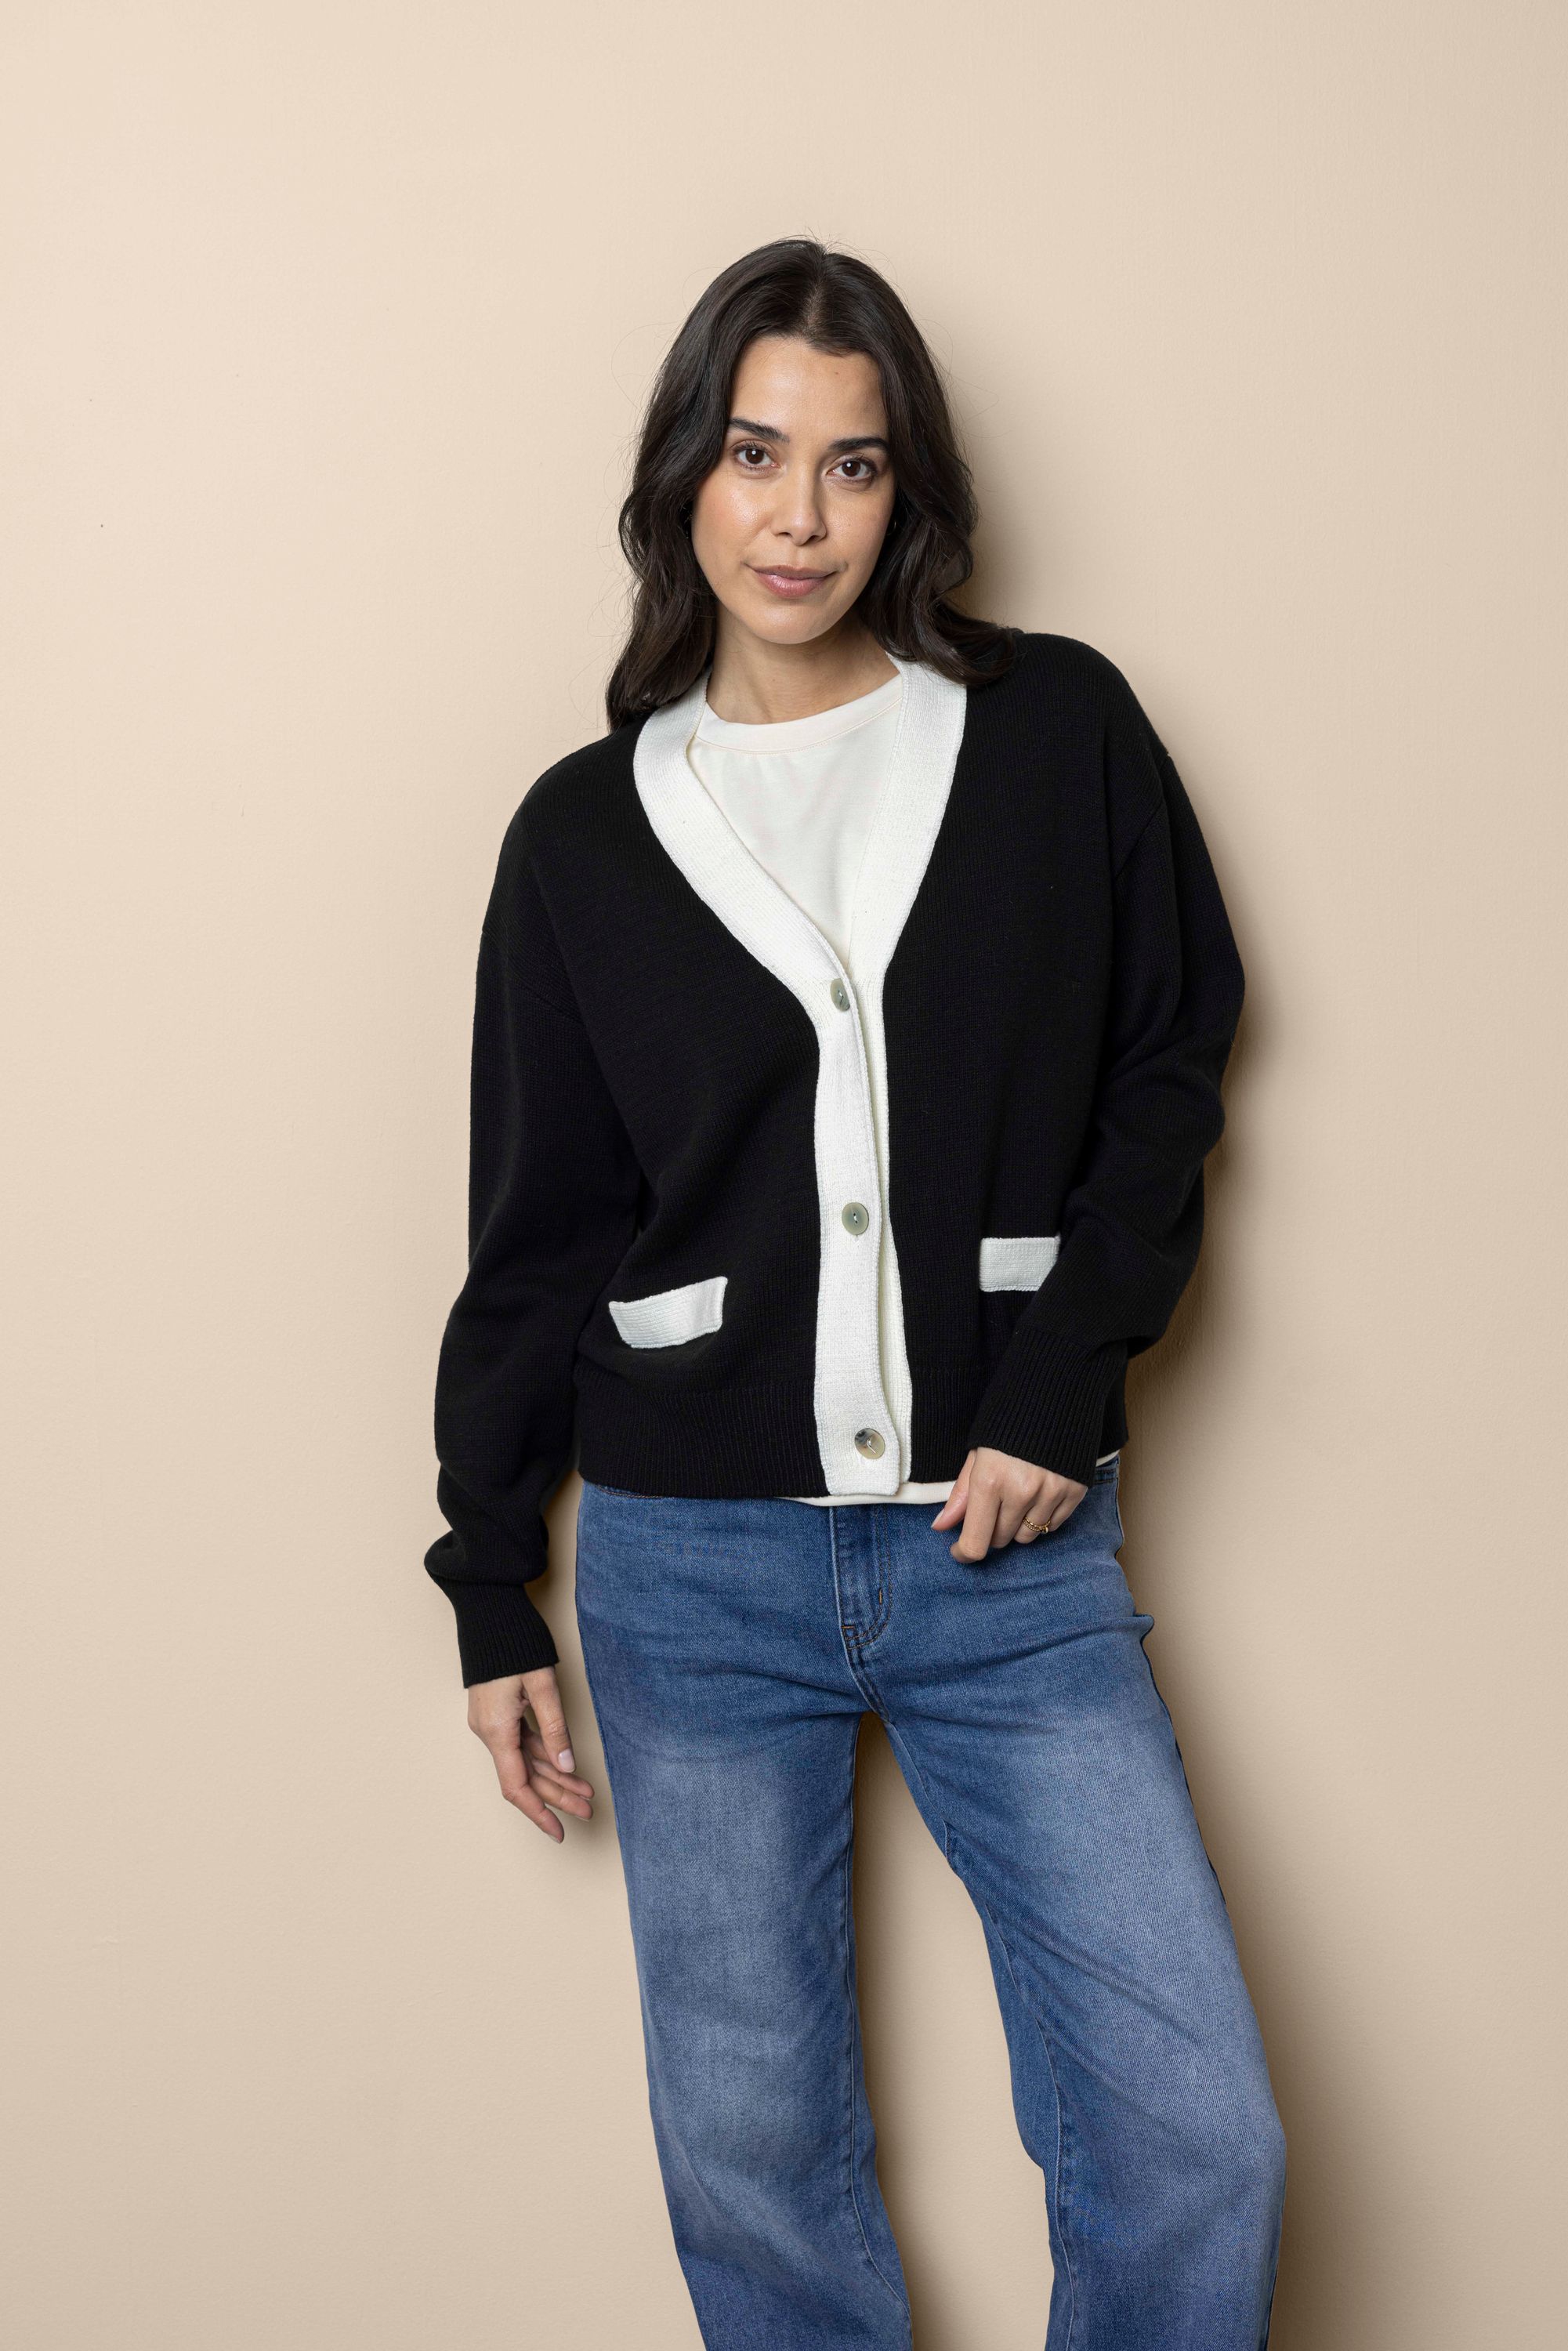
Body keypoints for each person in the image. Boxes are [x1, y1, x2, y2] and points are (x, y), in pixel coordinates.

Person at [424, 236, 1287, 2349]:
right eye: (752, 454)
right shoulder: (583, 835)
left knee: (1198, 2135)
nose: (797, 516)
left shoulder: (1054, 730)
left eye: (853, 463)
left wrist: (1057, 1378)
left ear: (912, 494)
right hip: (689, 1571)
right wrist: (484, 1574)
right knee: (754, 2160)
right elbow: (539, 1229)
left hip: (1011, 1553)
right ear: (682, 478)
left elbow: (1170, 1068)